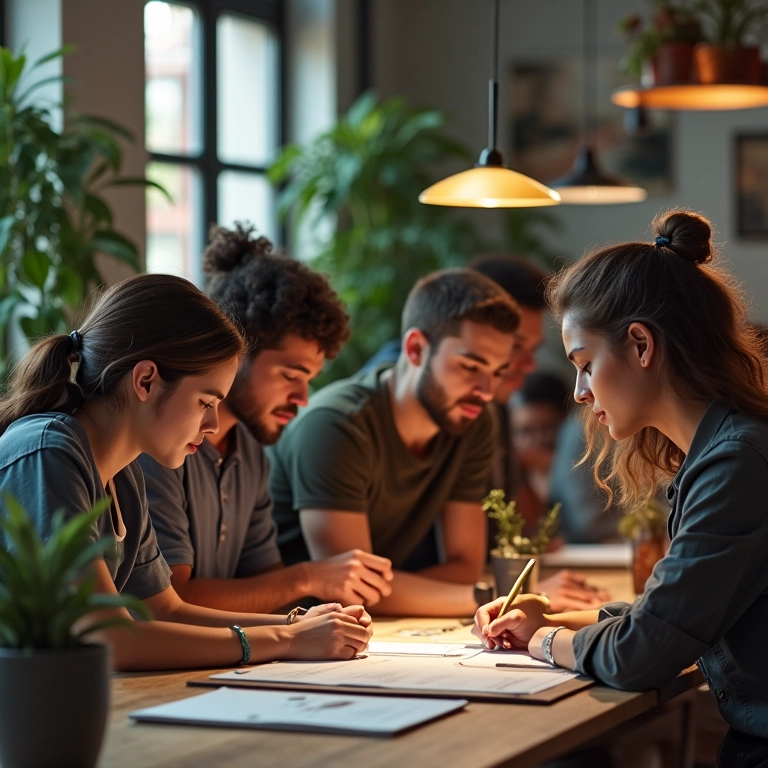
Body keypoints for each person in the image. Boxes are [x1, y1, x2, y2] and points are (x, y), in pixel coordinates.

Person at [473, 210, 768, 766]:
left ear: (639, 343)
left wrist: (541, 641)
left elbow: (642, 654)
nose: (581, 392)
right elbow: (669, 616)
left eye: (584, 364)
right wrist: (555, 621)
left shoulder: (737, 463)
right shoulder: (726, 449)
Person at [0, 273, 372, 671]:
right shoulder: (49, 451)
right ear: (145, 381)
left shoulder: (122, 474)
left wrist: (298, 623)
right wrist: (285, 639)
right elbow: (107, 637)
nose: (213, 424)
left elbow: (165, 609)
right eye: (204, 402)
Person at [140, 225, 393, 612]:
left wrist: (309, 619)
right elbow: (175, 600)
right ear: (237, 355)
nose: (302, 398)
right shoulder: (164, 446)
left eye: (309, 380)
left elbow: (266, 585)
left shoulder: (251, 453)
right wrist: (309, 577)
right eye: (291, 376)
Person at [269, 268, 519, 616]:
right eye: (469, 366)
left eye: (497, 372)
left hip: (367, 628)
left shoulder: (472, 420)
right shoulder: (336, 425)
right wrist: (496, 600)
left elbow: (464, 568)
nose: (486, 391)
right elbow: (351, 590)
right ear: (416, 349)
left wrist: (456, 593)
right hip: (286, 630)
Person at [509, 371, 570, 533]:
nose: (538, 440)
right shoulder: (508, 478)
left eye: (548, 428)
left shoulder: (589, 474)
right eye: (525, 431)